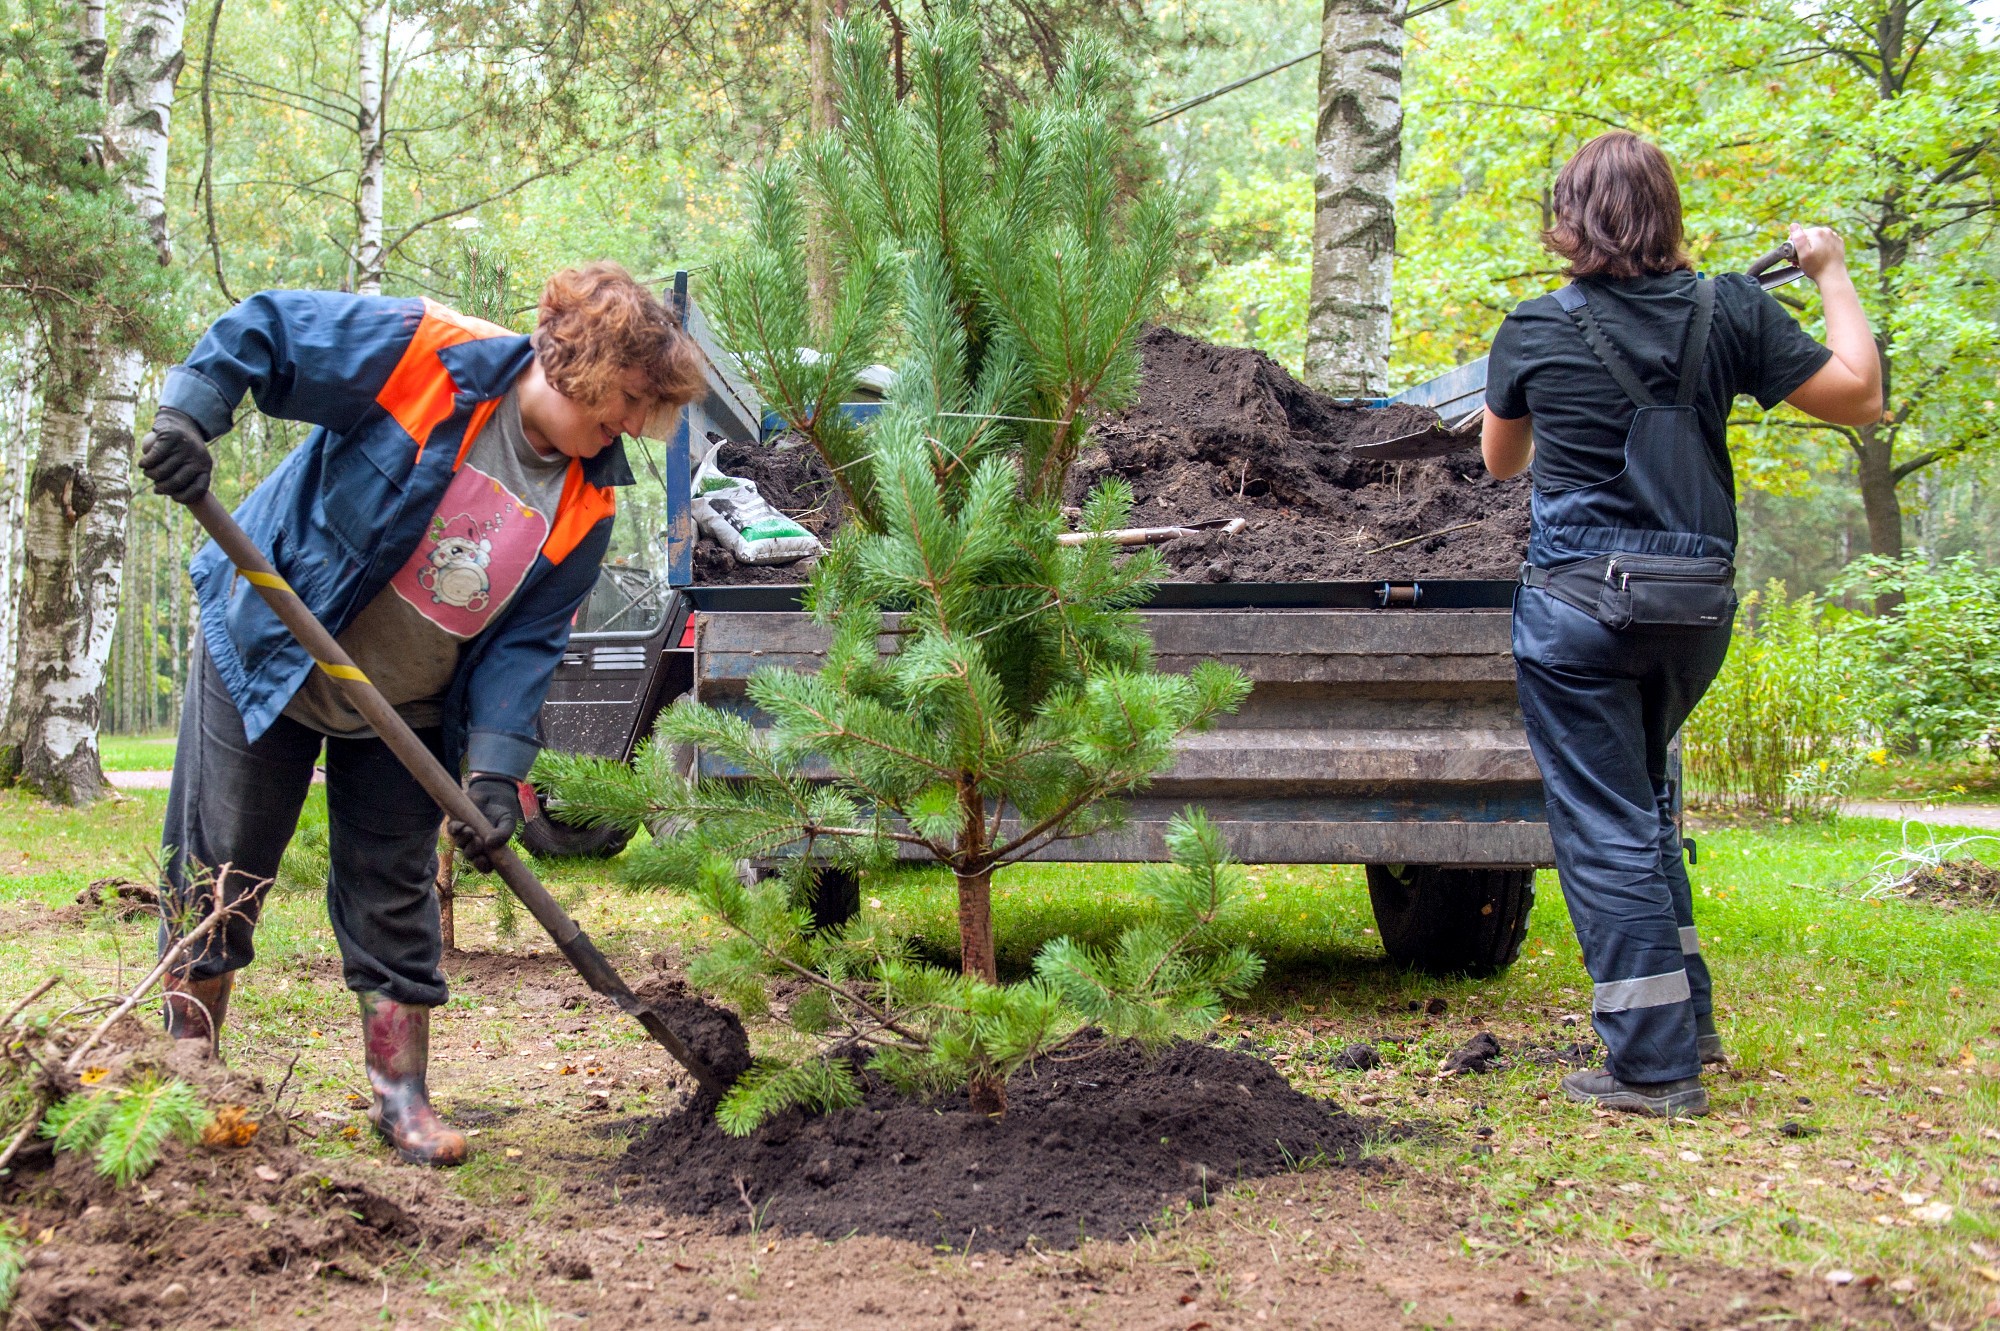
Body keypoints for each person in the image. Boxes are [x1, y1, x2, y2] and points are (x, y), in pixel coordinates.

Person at [139, 264, 706, 1164]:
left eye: (649, 410)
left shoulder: (590, 498)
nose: (635, 425)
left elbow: (526, 643)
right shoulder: (430, 357)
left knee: (393, 892)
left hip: (406, 705)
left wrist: (493, 770)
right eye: (632, 397)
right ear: (577, 361)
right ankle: (184, 1072)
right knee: (223, 863)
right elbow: (268, 329)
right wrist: (189, 416)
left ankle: (401, 1098)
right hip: (270, 647)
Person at [1481, 133, 1880, 1117]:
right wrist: (1828, 272)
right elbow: (1858, 394)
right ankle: (1683, 1021)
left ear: (1567, 218)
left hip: (1577, 613)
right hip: (1692, 609)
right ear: (1665, 210)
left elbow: (1499, 462)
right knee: (1645, 799)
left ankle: (1651, 1069)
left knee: (1605, 822)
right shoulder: (1732, 310)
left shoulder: (1533, 325)